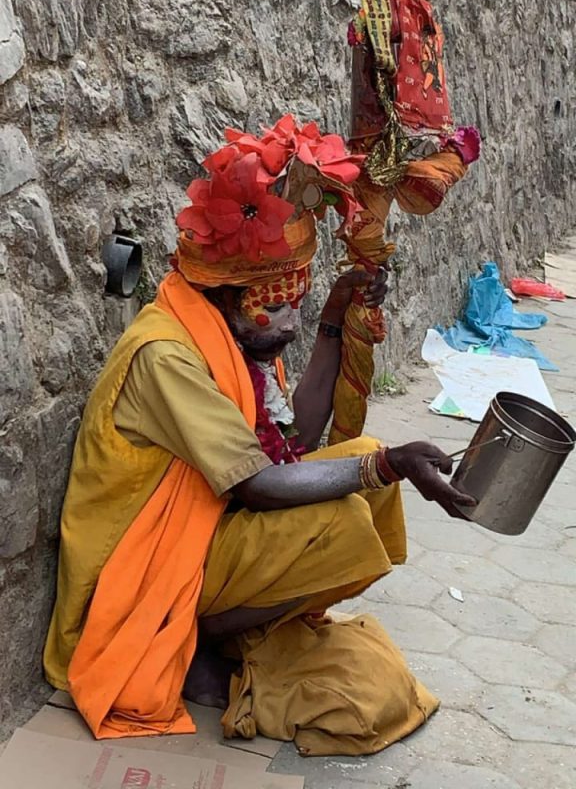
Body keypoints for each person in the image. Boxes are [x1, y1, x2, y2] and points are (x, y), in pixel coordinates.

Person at [44, 117, 475, 749]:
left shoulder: (233, 334)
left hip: (208, 529)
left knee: (362, 470)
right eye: (287, 300)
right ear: (242, 297)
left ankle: (222, 624)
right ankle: (195, 635)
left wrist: (333, 319)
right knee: (351, 511)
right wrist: (388, 463)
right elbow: (257, 483)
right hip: (138, 575)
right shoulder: (169, 354)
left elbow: (295, 433)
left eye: (301, 299)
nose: (292, 320)